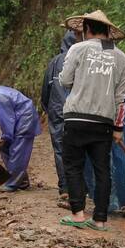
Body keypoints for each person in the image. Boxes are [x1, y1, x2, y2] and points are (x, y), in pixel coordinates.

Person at [58, 10, 125, 230]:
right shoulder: (122, 58)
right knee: (102, 170)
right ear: (109, 31)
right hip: (104, 122)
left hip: (76, 118)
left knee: (73, 165)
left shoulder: (77, 49)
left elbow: (64, 80)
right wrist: (118, 128)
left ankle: (78, 214)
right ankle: (99, 219)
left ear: (86, 29)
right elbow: (121, 98)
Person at [41, 30, 77, 198]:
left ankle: (65, 187)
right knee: (80, 148)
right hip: (79, 110)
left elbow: (45, 91)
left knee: (60, 149)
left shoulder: (55, 62)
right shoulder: (84, 59)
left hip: (57, 112)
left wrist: (48, 109)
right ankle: (81, 187)